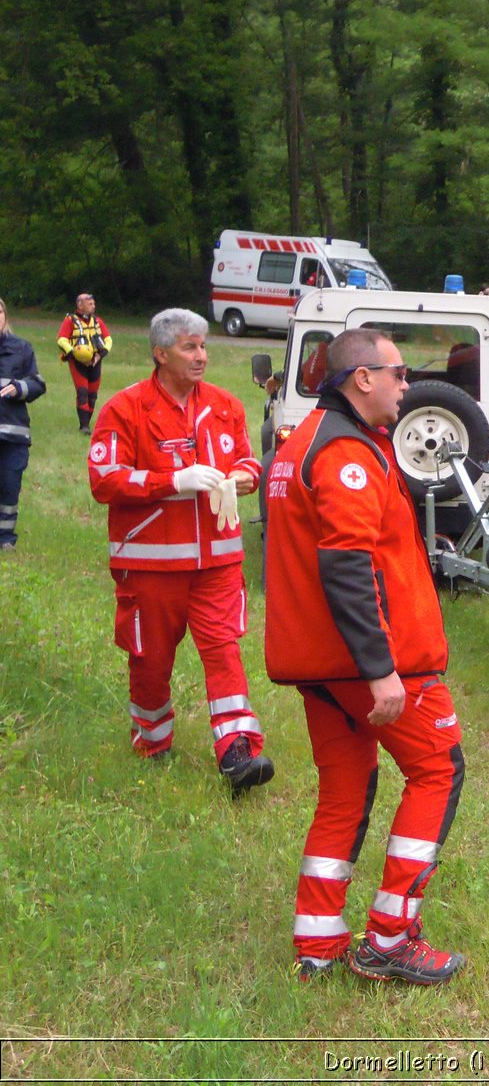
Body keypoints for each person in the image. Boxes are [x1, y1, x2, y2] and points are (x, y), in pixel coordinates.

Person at [264, 329, 467, 986]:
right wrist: (381, 669)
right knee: (438, 771)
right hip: (368, 664)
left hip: (320, 662)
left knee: (345, 792)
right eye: (400, 373)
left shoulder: (310, 439)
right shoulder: (344, 453)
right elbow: (348, 567)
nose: (409, 386)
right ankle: (390, 938)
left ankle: (318, 943)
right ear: (362, 379)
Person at [86, 308, 273, 793]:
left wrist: (243, 477)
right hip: (149, 565)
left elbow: (247, 459)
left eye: (204, 346)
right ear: (160, 352)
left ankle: (238, 752)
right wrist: (172, 481)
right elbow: (104, 479)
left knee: (224, 652)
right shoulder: (124, 409)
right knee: (149, 659)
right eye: (190, 347)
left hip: (218, 562)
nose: (202, 356)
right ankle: (152, 742)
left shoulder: (226, 404)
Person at [0, 298, 46, 552]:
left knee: (8, 486)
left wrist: (19, 388)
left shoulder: (21, 349)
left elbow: (38, 384)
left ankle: (5, 538)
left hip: (13, 435)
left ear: (5, 316)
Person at [57, 292, 113, 433]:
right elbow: (61, 339)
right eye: (90, 304)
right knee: (82, 392)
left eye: (93, 304)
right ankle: (84, 426)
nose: (93, 306)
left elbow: (108, 340)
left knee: (92, 394)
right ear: (80, 305)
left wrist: (100, 355)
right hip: (77, 361)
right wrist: (74, 353)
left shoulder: (98, 321)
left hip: (95, 360)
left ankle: (87, 422)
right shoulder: (70, 321)